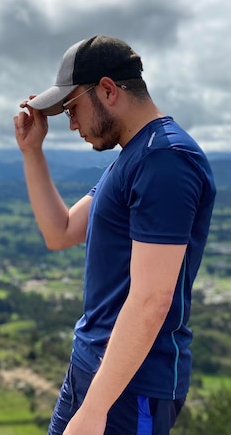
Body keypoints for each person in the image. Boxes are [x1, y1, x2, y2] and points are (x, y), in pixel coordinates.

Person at [13, 35, 216, 435]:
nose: (71, 125)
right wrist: (32, 151)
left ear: (107, 90)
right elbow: (62, 231)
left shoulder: (165, 160)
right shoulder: (135, 157)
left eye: (72, 109)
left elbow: (151, 301)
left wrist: (94, 410)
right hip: (95, 371)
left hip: (129, 388)